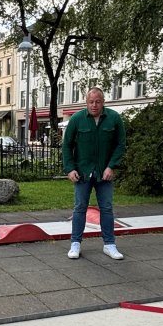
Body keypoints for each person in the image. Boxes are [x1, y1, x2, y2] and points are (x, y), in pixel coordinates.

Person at [62, 87, 127, 261]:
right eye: (91, 102)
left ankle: (109, 244)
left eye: (98, 101)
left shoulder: (113, 118)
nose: (94, 105)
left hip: (104, 173)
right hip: (82, 172)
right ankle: (75, 243)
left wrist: (112, 166)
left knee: (106, 208)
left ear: (103, 101)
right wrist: (70, 169)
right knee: (80, 208)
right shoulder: (77, 119)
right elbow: (67, 145)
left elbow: (120, 144)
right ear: (86, 102)